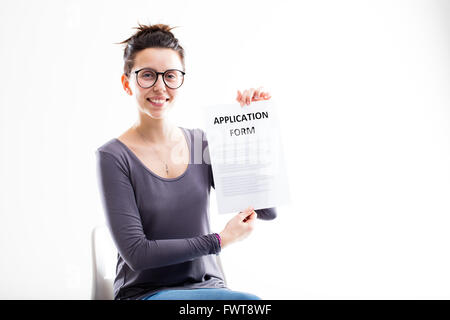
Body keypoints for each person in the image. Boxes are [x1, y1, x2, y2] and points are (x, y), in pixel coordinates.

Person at [95, 23, 277, 300]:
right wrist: (220, 240)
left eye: (170, 76)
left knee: (250, 303)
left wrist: (251, 128)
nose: (159, 86)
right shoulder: (113, 156)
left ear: (181, 80)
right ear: (127, 82)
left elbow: (267, 210)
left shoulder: (202, 143)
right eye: (147, 75)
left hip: (208, 288)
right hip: (144, 293)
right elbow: (137, 254)